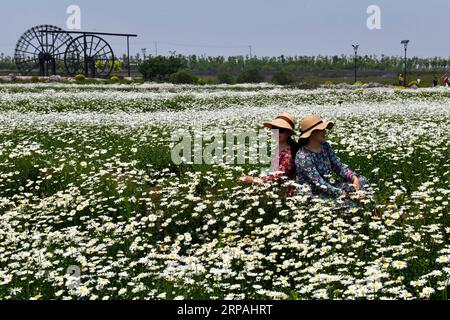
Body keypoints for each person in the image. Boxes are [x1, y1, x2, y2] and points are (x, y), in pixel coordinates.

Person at [294, 114, 370, 203]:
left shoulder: (325, 146)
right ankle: (356, 210)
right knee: (345, 200)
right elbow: (318, 183)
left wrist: (354, 178)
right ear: (311, 133)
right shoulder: (303, 156)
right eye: (321, 129)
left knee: (362, 180)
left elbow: (338, 166)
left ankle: (369, 207)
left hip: (329, 186)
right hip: (313, 194)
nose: (324, 131)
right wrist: (345, 194)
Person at [240, 113, 299, 196]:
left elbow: (279, 175)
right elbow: (274, 172)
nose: (277, 132)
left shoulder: (290, 153)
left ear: (289, 133)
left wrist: (254, 180)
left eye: (281, 130)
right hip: (274, 186)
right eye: (275, 129)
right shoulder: (278, 147)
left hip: (286, 193)